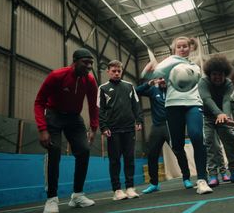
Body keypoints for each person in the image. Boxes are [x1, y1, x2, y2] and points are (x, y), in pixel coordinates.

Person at [143, 36, 213, 194]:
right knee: (177, 145)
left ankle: (202, 179)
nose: (182, 49)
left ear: (190, 48)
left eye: (185, 46)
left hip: (193, 104)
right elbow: (154, 76)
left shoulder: (194, 67)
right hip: (173, 106)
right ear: (174, 49)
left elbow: (189, 81)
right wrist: (148, 72)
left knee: (196, 136)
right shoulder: (167, 63)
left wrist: (162, 68)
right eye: (179, 47)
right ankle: (185, 176)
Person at [34, 48, 98, 213]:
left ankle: (77, 196)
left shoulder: (90, 81)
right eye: (86, 62)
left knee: (84, 150)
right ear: (75, 62)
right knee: (54, 152)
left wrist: (93, 128)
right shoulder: (57, 76)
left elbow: (93, 106)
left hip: (74, 118)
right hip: (54, 115)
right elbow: (39, 102)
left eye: (91, 63)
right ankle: (51, 199)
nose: (89, 66)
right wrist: (42, 129)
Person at [198, 55, 234, 187]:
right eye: (214, 74)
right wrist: (219, 113)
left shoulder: (228, 84)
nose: (217, 77)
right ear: (209, 74)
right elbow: (207, 99)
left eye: (220, 74)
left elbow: (227, 100)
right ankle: (213, 175)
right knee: (210, 145)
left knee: (230, 142)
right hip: (208, 117)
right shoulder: (203, 82)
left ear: (225, 74)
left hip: (224, 118)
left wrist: (225, 116)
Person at [135, 78, 192, 193]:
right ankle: (154, 184)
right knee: (151, 154)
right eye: (160, 78)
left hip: (172, 126)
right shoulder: (153, 90)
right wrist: (148, 83)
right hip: (157, 127)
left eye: (164, 78)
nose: (162, 81)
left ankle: (186, 179)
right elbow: (136, 91)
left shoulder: (174, 90)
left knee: (179, 151)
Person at [98, 60, 143, 200]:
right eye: (114, 71)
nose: (117, 73)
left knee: (130, 159)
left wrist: (139, 120)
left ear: (121, 71)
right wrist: (103, 127)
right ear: (108, 72)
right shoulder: (103, 88)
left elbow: (136, 105)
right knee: (115, 160)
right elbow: (100, 110)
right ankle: (117, 190)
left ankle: (130, 187)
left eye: (119, 71)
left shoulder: (129, 86)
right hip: (113, 130)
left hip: (129, 129)